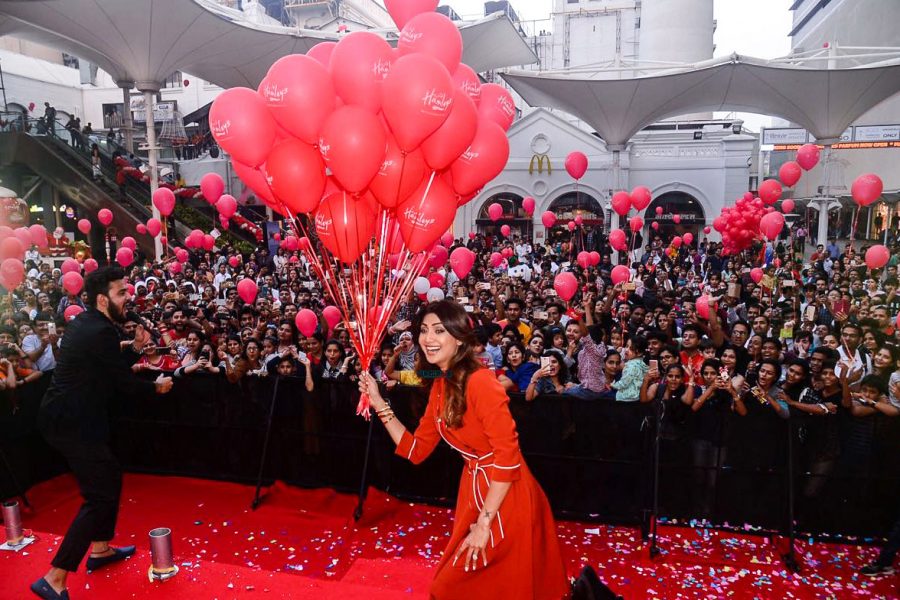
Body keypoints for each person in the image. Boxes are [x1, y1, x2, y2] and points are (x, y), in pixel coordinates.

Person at [357, 301, 569, 598]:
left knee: (455, 587)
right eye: (424, 330)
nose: (427, 339)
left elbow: (508, 456)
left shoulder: (481, 381)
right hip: (476, 490)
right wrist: (380, 404)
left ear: (458, 337)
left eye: (439, 331)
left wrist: (485, 523)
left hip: (506, 495)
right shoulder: (441, 381)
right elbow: (416, 449)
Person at [31, 267, 174, 600]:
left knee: (109, 476)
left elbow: (105, 362)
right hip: (71, 423)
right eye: (121, 293)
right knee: (99, 496)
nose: (128, 297)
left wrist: (133, 349)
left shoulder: (86, 322)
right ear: (101, 298)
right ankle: (55, 577)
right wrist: (156, 387)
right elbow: (121, 383)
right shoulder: (100, 332)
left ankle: (100, 549)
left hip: (71, 417)